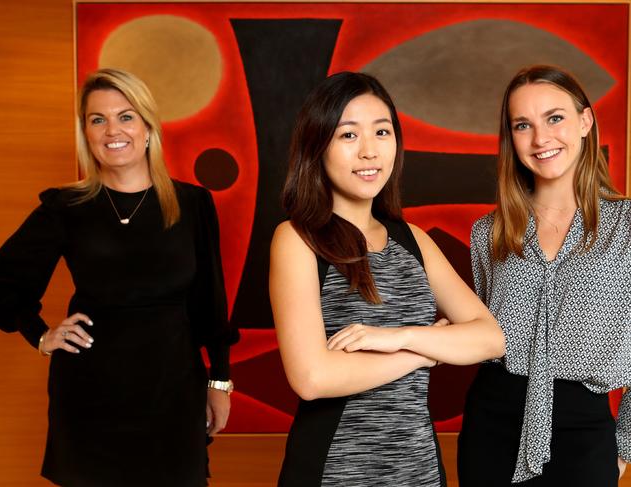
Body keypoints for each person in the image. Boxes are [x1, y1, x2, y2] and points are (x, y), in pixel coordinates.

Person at [0, 68, 238, 487]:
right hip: (90, 393)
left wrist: (220, 380)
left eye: (126, 116)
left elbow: (211, 300)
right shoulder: (66, 207)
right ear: (85, 132)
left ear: (148, 128)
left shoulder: (191, 203)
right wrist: (41, 335)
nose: (112, 130)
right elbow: (4, 283)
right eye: (97, 119)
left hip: (172, 389)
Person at [269, 71, 505, 486]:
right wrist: (423, 353)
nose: (369, 151)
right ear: (317, 145)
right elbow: (312, 378)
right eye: (348, 136)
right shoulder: (297, 238)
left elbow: (490, 338)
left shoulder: (411, 239)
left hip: (419, 469)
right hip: (336, 470)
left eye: (382, 132)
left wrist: (400, 336)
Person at [457, 65, 631, 486]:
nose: (540, 138)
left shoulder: (626, 227)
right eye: (523, 125)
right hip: (491, 422)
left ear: (585, 121)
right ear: (511, 137)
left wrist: (623, 444)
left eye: (555, 118)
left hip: (585, 429)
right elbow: (479, 334)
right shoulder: (488, 233)